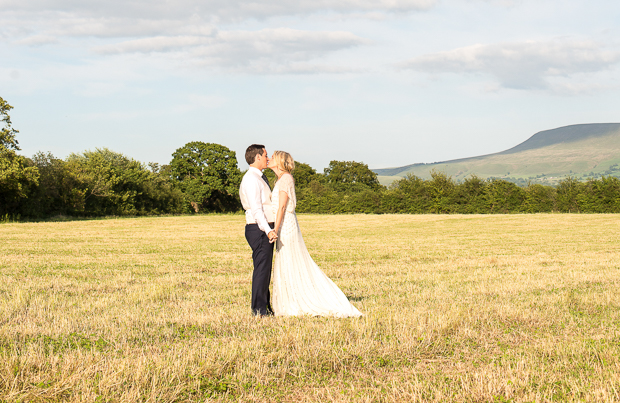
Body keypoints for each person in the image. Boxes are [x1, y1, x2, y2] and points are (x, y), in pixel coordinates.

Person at [268, 151, 363, 318]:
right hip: (284, 224)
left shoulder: (285, 179)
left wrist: (275, 229)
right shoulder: (282, 179)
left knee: (290, 260)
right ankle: (290, 300)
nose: (269, 159)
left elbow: (282, 207)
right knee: (286, 260)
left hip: (286, 224)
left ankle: (296, 301)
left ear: (280, 161)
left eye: (273, 157)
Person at [239, 144, 278, 316]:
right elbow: (256, 210)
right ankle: (259, 310)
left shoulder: (259, 177)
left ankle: (264, 306)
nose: (267, 158)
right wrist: (268, 229)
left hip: (262, 227)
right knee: (262, 269)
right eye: (265, 155)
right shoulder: (251, 179)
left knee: (264, 268)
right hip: (259, 228)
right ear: (257, 157)